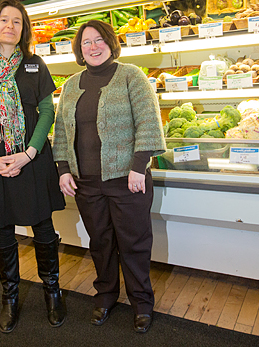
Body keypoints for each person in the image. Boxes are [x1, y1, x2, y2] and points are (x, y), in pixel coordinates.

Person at [0, 0, 66, 333]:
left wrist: (29, 152)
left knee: (43, 227)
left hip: (31, 159)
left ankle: (52, 291)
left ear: (24, 28)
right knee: (1, 230)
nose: (10, 26)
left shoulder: (35, 64)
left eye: (17, 21)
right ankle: (10, 296)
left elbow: (47, 112)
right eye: (4, 20)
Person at [52, 20, 165, 333]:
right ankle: (106, 295)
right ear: (79, 49)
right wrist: (63, 168)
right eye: (86, 42)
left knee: (134, 243)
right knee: (100, 242)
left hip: (127, 180)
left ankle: (142, 302)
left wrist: (138, 166)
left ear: (111, 44)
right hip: (86, 183)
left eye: (99, 40)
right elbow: (61, 130)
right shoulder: (72, 85)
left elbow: (148, 122)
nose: (93, 47)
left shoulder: (131, 75)